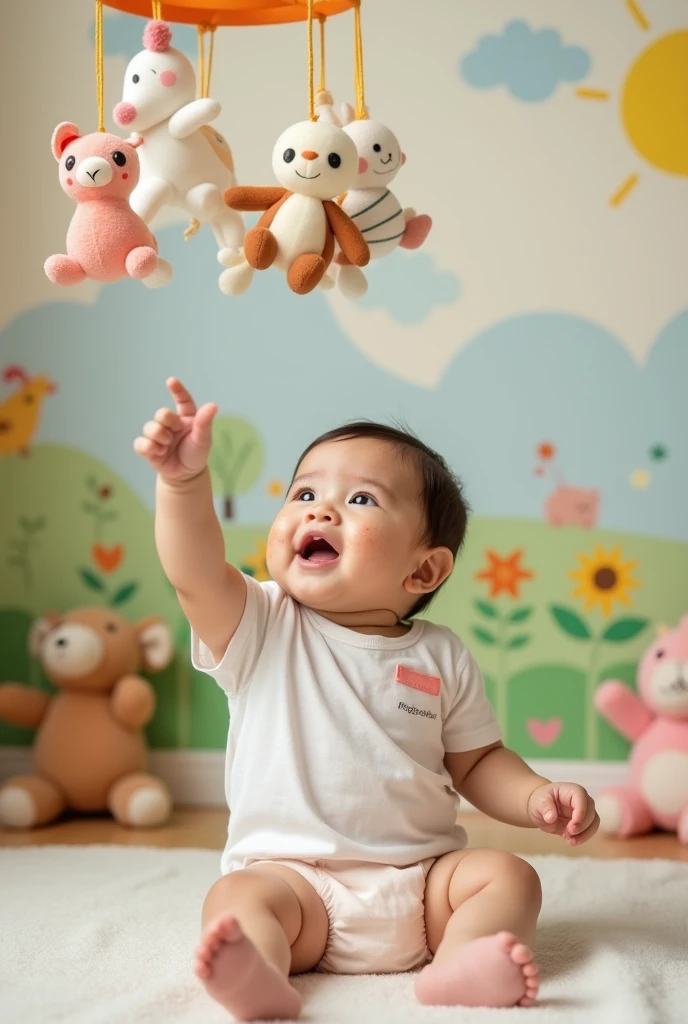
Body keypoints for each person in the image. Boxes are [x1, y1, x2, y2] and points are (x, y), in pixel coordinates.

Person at [135, 378, 599, 1021]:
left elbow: (478, 761)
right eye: (304, 493)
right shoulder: (264, 625)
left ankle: (466, 960)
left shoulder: (442, 655)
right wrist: (183, 484)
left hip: (422, 886)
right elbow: (193, 571)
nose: (319, 511)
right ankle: (259, 973)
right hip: (297, 886)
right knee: (238, 897)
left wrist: (533, 795)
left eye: (359, 499)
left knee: (510, 877)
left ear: (424, 571)